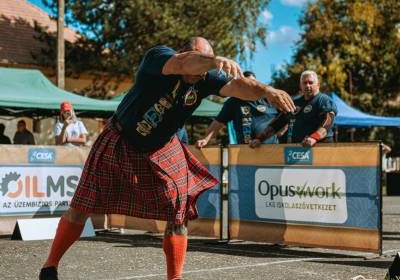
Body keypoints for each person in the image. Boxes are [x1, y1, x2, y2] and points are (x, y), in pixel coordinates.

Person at [39, 37, 295, 280]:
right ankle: (50, 266)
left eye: (206, 67)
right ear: (186, 51)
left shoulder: (206, 76)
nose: (201, 75)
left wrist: (268, 91)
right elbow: (184, 63)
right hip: (121, 138)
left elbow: (238, 87)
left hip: (163, 145)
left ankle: (175, 277)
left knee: (178, 212)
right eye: (202, 63)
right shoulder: (159, 58)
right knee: (82, 206)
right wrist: (214, 60)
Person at [250, 70, 337, 148]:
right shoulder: (295, 103)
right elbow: (277, 123)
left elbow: (328, 122)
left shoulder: (324, 100)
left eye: (311, 82)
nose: (307, 85)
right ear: (300, 85)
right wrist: (260, 139)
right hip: (299, 149)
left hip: (321, 148)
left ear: (318, 85)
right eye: (304, 83)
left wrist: (314, 137)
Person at [196, 71, 278, 148]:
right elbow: (218, 122)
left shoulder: (268, 99)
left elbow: (283, 116)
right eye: (247, 83)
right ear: (242, 85)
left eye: (253, 82)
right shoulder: (233, 102)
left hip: (271, 148)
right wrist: (205, 139)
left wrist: (280, 131)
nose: (251, 85)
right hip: (245, 149)